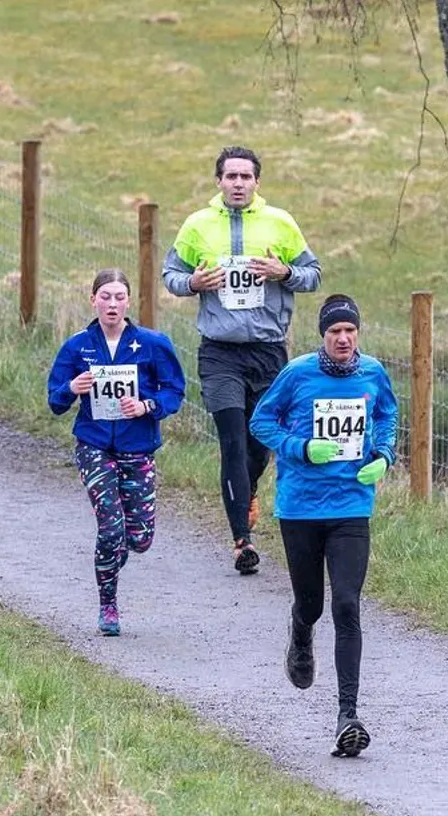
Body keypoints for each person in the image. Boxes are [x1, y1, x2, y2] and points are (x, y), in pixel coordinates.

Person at [163, 144, 320, 576]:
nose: (237, 183)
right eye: (230, 176)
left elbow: (313, 275)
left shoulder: (280, 223)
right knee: (232, 439)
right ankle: (242, 541)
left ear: (256, 182)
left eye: (245, 177)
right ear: (218, 181)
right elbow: (171, 275)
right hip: (219, 352)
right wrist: (193, 282)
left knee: (259, 443)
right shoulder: (197, 225)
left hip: (268, 351)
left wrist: (284, 273)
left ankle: (246, 492)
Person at [250, 294, 396, 760]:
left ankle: (347, 716)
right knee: (312, 603)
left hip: (352, 505)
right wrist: (300, 448)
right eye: (335, 331)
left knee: (347, 605)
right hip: (301, 508)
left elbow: (387, 415)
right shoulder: (297, 374)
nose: (344, 338)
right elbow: (261, 422)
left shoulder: (373, 372)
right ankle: (300, 630)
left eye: (350, 330)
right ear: (323, 336)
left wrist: (385, 455)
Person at [46, 268, 185, 637]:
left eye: (119, 297)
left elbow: (175, 391)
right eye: (105, 297)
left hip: (137, 448)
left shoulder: (152, 344)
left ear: (129, 302)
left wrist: (146, 406)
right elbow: (54, 402)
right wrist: (72, 388)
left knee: (139, 538)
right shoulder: (77, 347)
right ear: (93, 300)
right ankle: (108, 604)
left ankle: (114, 553)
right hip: (93, 445)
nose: (112, 304)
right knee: (110, 529)